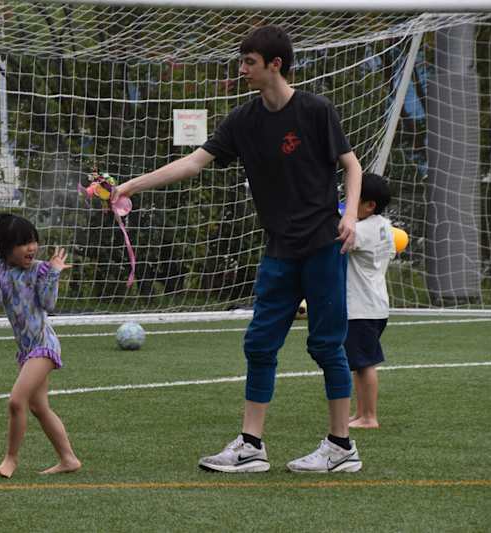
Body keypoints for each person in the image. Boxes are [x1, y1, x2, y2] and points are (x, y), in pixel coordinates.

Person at [114, 25, 363, 473]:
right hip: (279, 250)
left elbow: (352, 165)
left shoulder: (315, 110)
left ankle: (341, 446)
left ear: (275, 65)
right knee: (260, 343)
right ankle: (250, 445)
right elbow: (194, 162)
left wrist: (348, 217)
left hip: (323, 246)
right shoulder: (243, 120)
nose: (241, 69)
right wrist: (132, 185)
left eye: (249, 62)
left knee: (327, 345)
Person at [0, 213, 82, 478]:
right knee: (38, 407)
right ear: (7, 248)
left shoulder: (40, 270)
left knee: (16, 401)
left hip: (44, 345)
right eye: (23, 243)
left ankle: (10, 459)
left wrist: (54, 273)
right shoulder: (2, 270)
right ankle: (68, 458)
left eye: (33, 241)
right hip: (26, 351)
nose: (31, 248)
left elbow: (49, 303)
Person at [346, 173, 395, 430]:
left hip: (361, 308)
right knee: (359, 363)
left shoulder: (361, 230)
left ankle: (369, 417)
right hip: (376, 306)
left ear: (369, 205)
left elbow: (337, 239)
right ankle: (361, 412)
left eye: (353, 197)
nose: (347, 202)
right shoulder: (385, 226)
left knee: (365, 365)